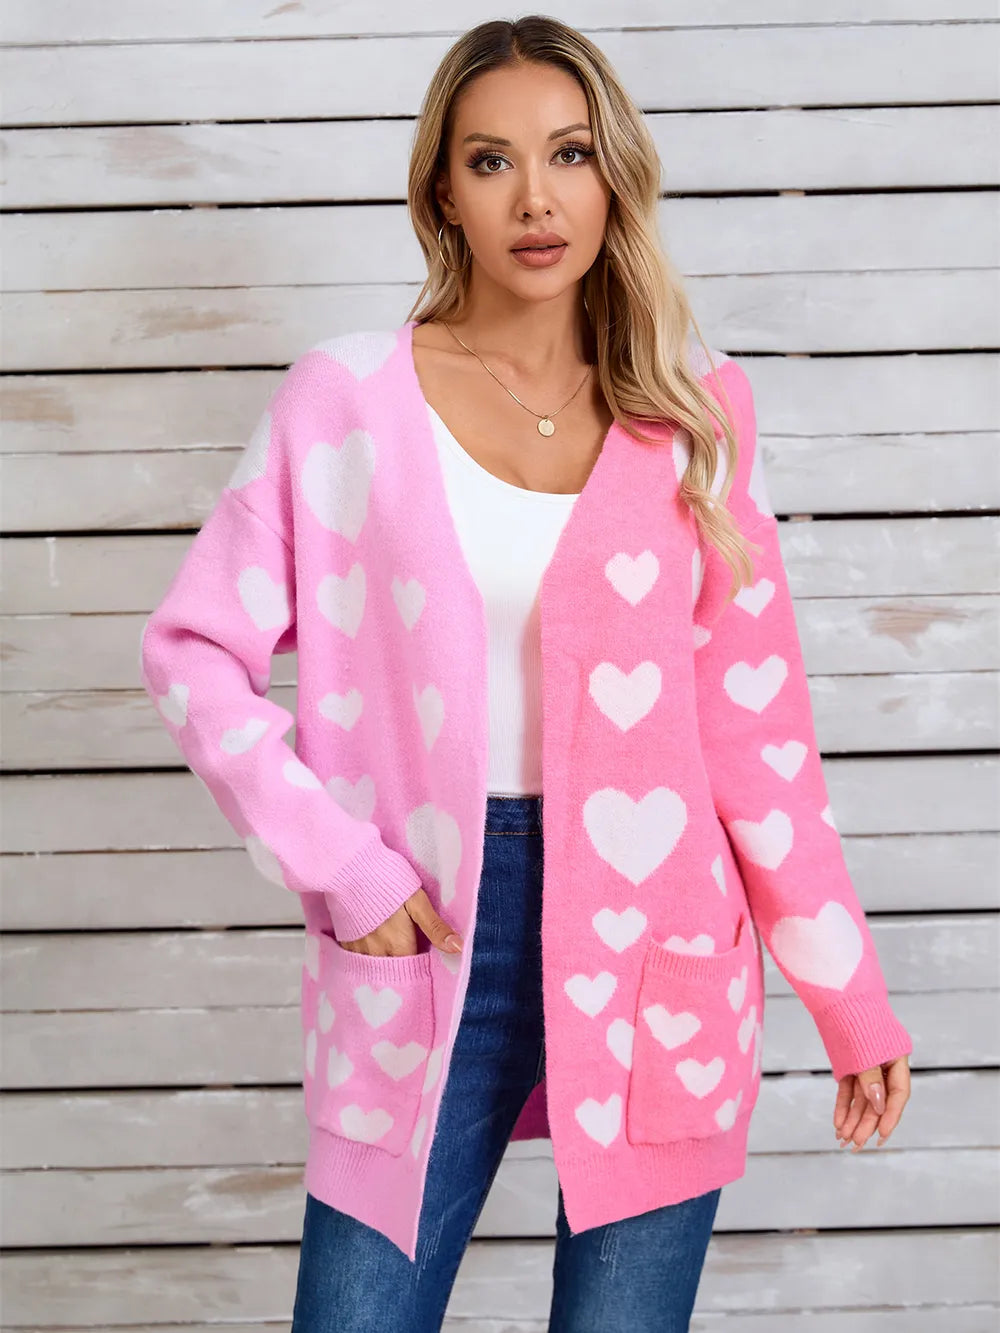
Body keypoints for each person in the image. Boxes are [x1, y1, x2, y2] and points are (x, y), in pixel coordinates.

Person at [140, 16, 913, 1332]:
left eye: (570, 154)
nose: (536, 199)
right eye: (491, 161)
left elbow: (759, 736)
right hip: (433, 922)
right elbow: (194, 652)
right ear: (442, 191)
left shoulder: (696, 414)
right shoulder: (348, 403)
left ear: (616, 175)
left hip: (662, 934)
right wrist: (347, 867)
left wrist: (850, 997)